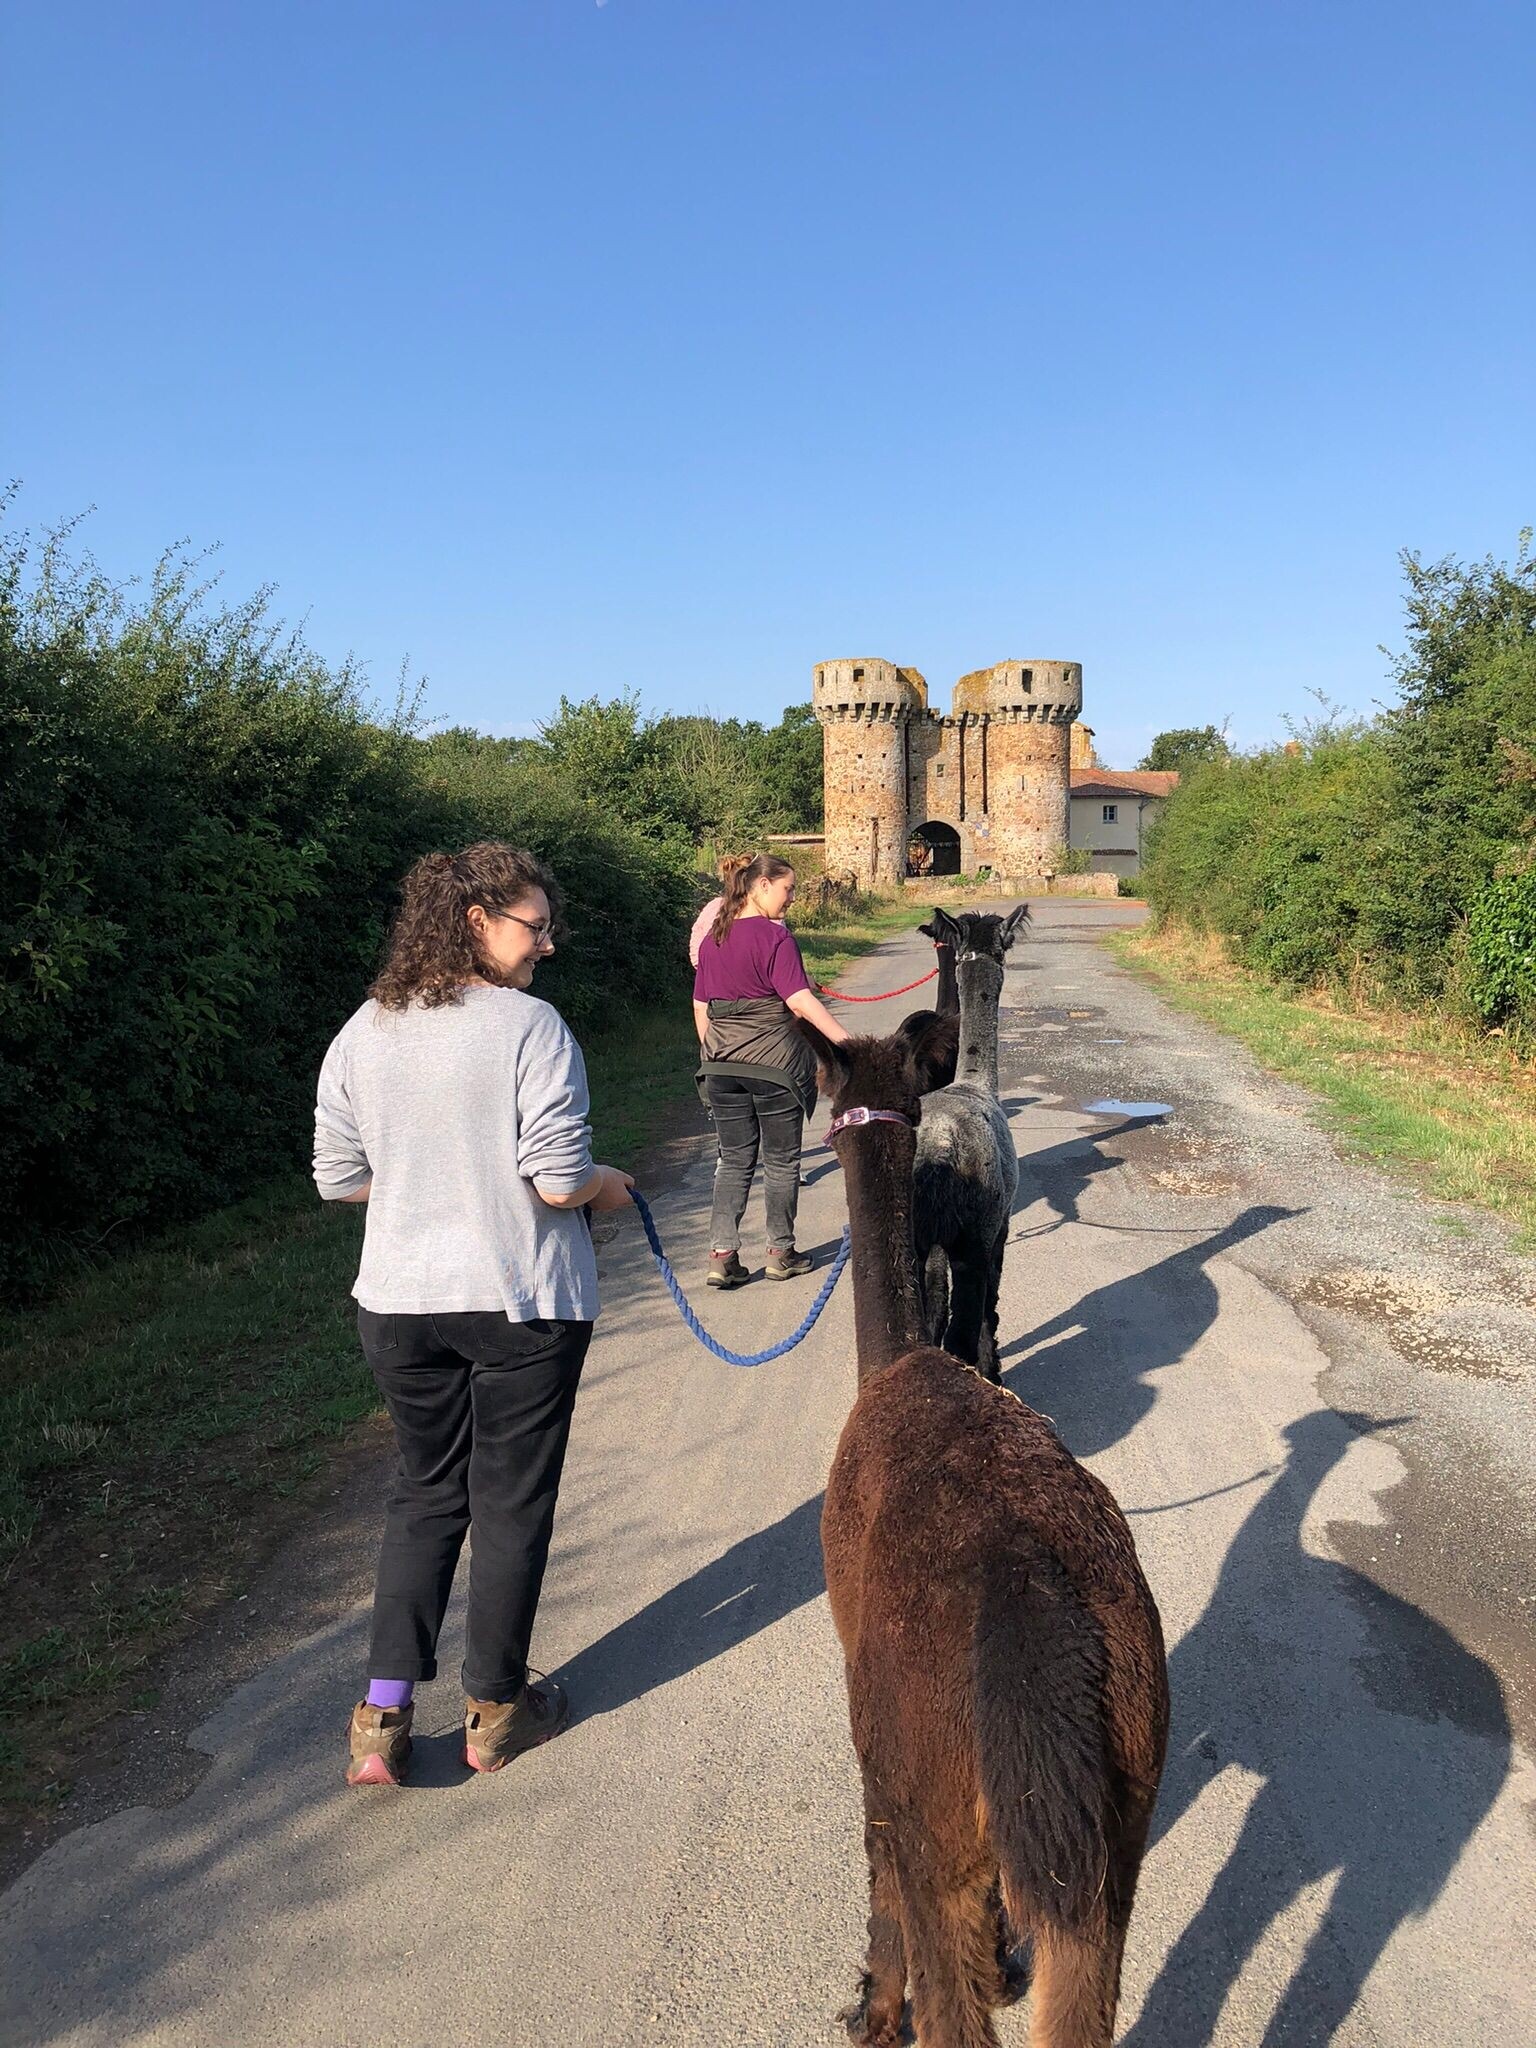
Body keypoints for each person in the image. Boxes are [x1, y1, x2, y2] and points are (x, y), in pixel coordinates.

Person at [313, 842, 634, 1788]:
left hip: (399, 1306)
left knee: (423, 1494)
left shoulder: (363, 1029)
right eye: (533, 927)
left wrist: (427, 1191)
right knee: (508, 1502)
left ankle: (381, 1718)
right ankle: (495, 1711)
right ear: (473, 920)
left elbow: (338, 1179)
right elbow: (559, 1177)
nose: (545, 947)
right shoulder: (531, 1028)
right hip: (519, 1302)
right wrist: (606, 1188)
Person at [693, 852, 850, 1287]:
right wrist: (846, 1045)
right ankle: (781, 1253)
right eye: (788, 888)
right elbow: (799, 1001)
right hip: (774, 1068)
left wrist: (712, 1056)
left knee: (734, 1161)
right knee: (782, 1161)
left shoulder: (713, 939)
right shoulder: (776, 938)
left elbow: (701, 1007)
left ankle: (722, 1256)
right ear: (762, 886)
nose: (792, 898)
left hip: (721, 1066)